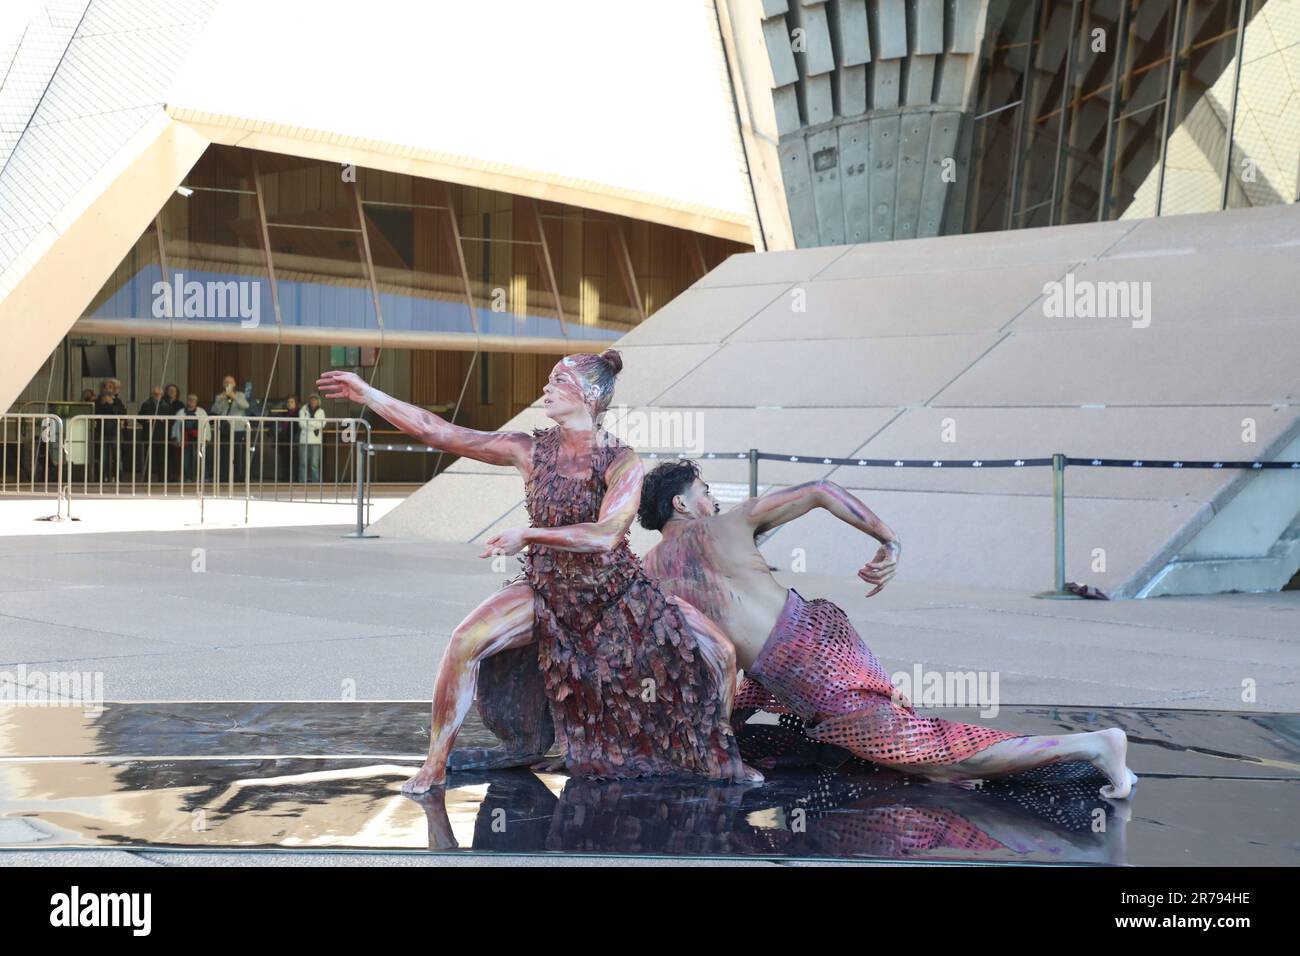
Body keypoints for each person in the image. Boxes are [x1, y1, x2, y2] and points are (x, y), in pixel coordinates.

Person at [317, 350, 758, 794]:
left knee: (720, 651)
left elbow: (606, 534)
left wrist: (529, 535)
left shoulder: (622, 462)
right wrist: (369, 395)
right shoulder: (528, 450)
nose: (546, 389)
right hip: (548, 589)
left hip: (617, 595)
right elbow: (441, 433)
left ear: (586, 395)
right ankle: (434, 763)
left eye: (557, 381)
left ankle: (723, 760)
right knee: (465, 641)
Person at [636, 459, 1137, 800]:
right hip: (795, 659)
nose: (714, 499)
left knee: (929, 758)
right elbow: (819, 490)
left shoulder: (650, 568)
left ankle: (1092, 745)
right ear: (680, 505)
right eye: (704, 493)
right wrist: (888, 542)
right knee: (825, 731)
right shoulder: (720, 530)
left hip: (809, 658)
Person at [210, 375, 249, 483]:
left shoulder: (240, 395)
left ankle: (238, 477)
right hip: (225, 429)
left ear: (234, 384)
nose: (228, 384)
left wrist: (233, 396)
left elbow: (245, 406)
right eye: (226, 382)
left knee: (238, 453)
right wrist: (220, 400)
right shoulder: (219, 396)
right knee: (224, 453)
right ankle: (224, 476)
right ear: (223, 385)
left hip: (238, 428)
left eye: (230, 382)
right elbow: (215, 410)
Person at [91, 379, 127, 481]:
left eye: (110, 387)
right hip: (101, 432)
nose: (107, 389)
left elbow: (123, 413)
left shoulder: (117, 401)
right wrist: (102, 403)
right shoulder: (96, 402)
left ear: (113, 389)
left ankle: (118, 478)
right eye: (105, 386)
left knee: (118, 457)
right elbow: (93, 413)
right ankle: (104, 477)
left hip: (115, 432)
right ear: (102, 389)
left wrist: (111, 403)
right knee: (103, 458)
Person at [171, 394, 209, 481]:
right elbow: (175, 426)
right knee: (186, 461)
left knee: (200, 458)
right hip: (185, 441)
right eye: (190, 399)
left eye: (194, 400)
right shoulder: (180, 412)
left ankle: (204, 477)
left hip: (199, 441)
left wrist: (207, 438)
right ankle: (188, 478)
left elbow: (206, 425)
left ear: (196, 402)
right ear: (187, 401)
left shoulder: (202, 412)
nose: (191, 401)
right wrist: (174, 437)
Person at [298, 394, 326, 482]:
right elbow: (301, 423)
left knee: (314, 464)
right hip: (304, 440)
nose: (313, 401)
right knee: (303, 463)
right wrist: (314, 424)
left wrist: (309, 423)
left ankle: (315, 483)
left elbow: (322, 424)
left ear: (318, 401)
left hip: (315, 440)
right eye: (312, 400)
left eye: (315, 400)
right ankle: (302, 482)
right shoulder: (303, 410)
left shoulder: (321, 411)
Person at [271, 396, 299, 482]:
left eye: (291, 402)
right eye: (288, 402)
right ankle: (285, 478)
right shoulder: (284, 412)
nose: (289, 404)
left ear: (295, 404)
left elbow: (297, 427)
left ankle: (295, 478)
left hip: (293, 439)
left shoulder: (298, 413)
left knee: (293, 460)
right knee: (284, 459)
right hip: (283, 439)